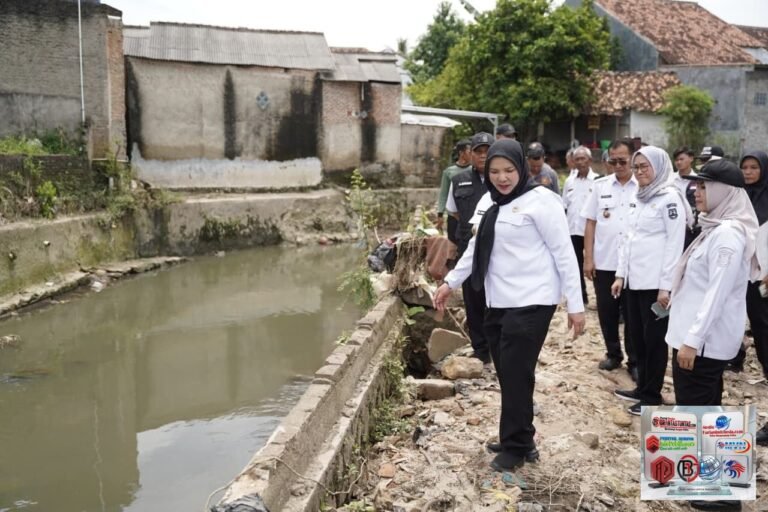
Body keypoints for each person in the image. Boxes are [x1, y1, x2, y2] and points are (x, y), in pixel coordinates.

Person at [433, 139, 585, 472]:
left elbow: (564, 253)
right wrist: (449, 283)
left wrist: (577, 304)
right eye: (495, 171)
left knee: (516, 372)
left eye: (509, 170)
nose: (502, 178)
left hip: (532, 301)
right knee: (508, 373)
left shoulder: (543, 201)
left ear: (520, 168)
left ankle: (516, 447)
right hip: (498, 300)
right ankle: (519, 434)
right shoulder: (491, 201)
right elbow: (475, 248)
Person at [668, 160, 756, 512]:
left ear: (724, 192)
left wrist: (692, 340)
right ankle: (709, 483)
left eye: (704, 187)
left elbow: (716, 293)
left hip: (702, 343)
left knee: (703, 411)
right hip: (694, 338)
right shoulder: (715, 227)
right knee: (702, 410)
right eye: (697, 186)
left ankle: (723, 495)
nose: (697, 192)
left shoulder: (727, 236)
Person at [611, 146, 690, 416]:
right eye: (637, 167)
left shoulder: (669, 199)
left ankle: (651, 395)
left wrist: (665, 287)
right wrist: (621, 274)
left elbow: (674, 245)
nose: (640, 171)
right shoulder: (639, 196)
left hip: (656, 287)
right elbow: (627, 239)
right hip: (634, 281)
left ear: (659, 167)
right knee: (638, 339)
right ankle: (642, 387)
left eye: (645, 166)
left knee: (655, 342)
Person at [582, 140, 637, 379]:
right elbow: (590, 222)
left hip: (635, 265)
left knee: (634, 314)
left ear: (633, 159)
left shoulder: (643, 186)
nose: (618, 165)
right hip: (605, 262)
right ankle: (613, 354)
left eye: (622, 161)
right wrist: (588, 258)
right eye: (612, 161)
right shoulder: (600, 186)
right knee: (607, 311)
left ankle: (635, 360)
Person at [445, 132, 494, 363]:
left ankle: (497, 345)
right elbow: (453, 212)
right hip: (469, 248)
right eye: (478, 151)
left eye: (487, 151)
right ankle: (481, 349)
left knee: (495, 298)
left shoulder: (504, 179)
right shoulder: (459, 180)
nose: (483, 156)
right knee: (473, 299)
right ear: (470, 154)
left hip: (498, 250)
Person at [562, 145, 599, 306]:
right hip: (573, 229)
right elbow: (564, 204)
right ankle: (581, 296)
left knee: (596, 264)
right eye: (577, 159)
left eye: (583, 158)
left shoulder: (598, 181)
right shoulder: (569, 181)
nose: (580, 162)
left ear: (589, 160)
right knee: (575, 264)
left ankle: (600, 296)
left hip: (592, 230)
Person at [436, 139, 472, 242]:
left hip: (468, 214)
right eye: (470, 152)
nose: (473, 155)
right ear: (461, 153)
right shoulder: (449, 172)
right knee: (452, 242)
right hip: (453, 215)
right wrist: (440, 214)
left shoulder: (473, 170)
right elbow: (444, 194)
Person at [672, 146, 700, 248]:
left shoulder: (698, 180)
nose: (679, 162)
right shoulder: (670, 180)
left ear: (691, 158)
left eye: (681, 159)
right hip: (673, 225)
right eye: (676, 160)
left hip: (691, 228)